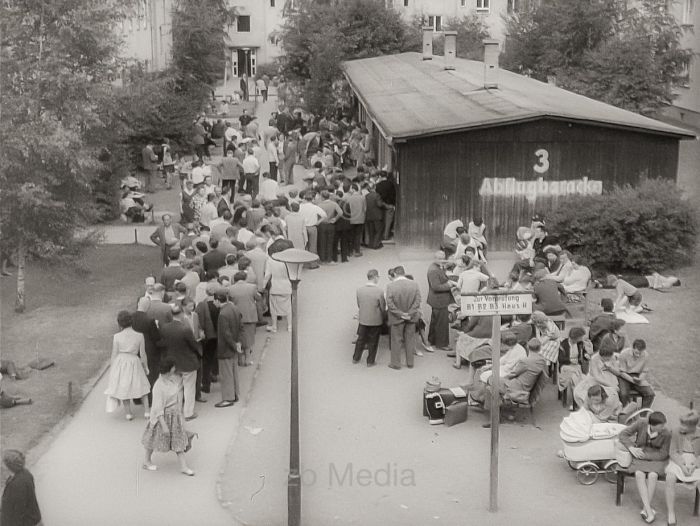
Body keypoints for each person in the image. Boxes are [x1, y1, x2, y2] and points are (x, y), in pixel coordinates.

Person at [469, 338, 547, 428]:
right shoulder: (542, 360)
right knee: (491, 384)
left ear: (528, 348)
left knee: (490, 383)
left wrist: (502, 379)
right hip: (525, 386)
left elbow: (513, 374)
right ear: (540, 348)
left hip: (516, 387)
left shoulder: (525, 361)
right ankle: (485, 402)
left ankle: (491, 414)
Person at [141, 358, 195, 476]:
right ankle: (146, 461)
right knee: (153, 440)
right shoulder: (158, 386)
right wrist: (164, 426)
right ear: (169, 370)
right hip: (163, 418)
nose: (175, 369)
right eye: (173, 367)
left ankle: (184, 467)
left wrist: (180, 415)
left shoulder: (171, 380)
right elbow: (157, 408)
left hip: (174, 416)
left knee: (178, 441)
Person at [619, 411, 671, 523]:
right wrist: (631, 447)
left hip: (657, 458)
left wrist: (644, 456)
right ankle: (648, 510)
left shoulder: (666, 433)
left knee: (653, 475)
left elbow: (664, 454)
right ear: (651, 425)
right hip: (639, 454)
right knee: (639, 474)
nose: (663, 427)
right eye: (660, 426)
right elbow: (623, 434)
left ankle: (645, 509)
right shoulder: (641, 423)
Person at [104, 310, 151, 420]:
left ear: (120, 323)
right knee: (142, 385)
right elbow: (143, 354)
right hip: (134, 361)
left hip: (121, 362)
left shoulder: (117, 336)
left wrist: (113, 369)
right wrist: (146, 367)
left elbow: (114, 354)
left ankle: (128, 413)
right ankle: (147, 412)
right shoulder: (139, 336)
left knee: (123, 386)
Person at [159, 303, 201, 421]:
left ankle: (177, 411)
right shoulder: (185, 329)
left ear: (171, 315)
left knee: (177, 387)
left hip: (174, 363)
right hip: (188, 362)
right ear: (181, 314)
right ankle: (188, 413)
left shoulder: (165, 328)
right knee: (189, 388)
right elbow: (193, 345)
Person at [664, 411, 700, 526]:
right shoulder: (676, 431)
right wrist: (682, 465)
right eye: (681, 423)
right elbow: (672, 451)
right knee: (670, 477)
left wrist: (695, 465)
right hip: (679, 459)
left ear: (693, 426)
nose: (681, 426)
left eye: (684, 425)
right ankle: (671, 513)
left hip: (695, 461)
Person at [385, 266, 422, 370]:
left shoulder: (390, 286)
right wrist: (409, 313)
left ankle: (396, 363)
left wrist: (400, 314)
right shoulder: (414, 285)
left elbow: (389, 303)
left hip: (397, 318)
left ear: (395, 274)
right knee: (410, 339)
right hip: (411, 317)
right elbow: (418, 300)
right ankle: (410, 362)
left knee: (396, 340)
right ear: (404, 273)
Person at [353, 269, 386, 366]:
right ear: (375, 277)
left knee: (361, 339)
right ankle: (370, 361)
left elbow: (359, 304)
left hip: (363, 319)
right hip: (375, 320)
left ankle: (356, 358)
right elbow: (382, 307)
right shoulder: (379, 291)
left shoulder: (359, 290)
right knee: (373, 341)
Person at [215, 291, 242, 407]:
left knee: (226, 375)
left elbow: (226, 334)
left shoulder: (222, 314)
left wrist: (233, 345)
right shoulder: (234, 308)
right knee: (234, 372)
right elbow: (240, 327)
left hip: (226, 349)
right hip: (235, 346)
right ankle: (235, 394)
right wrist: (238, 344)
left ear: (217, 300)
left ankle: (227, 398)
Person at [1, 450, 42, 526]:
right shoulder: (25, 473)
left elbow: (18, 511)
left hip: (26, 522)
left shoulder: (17, 484)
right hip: (32, 518)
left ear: (9, 465)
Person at [228, 272, 259, 366]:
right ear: (245, 278)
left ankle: (240, 359)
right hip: (250, 315)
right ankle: (247, 359)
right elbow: (258, 298)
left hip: (235, 316)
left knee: (238, 338)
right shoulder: (252, 287)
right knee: (249, 338)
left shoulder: (230, 289)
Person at [426, 251, 456, 351]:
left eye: (443, 258)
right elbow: (436, 287)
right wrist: (449, 285)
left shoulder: (436, 266)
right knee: (442, 323)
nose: (442, 261)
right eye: (440, 259)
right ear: (435, 258)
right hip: (439, 300)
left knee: (435, 321)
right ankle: (442, 344)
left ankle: (432, 339)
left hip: (436, 299)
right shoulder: (434, 270)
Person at [557, 326, 593, 409]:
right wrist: (570, 361)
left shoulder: (580, 344)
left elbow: (583, 354)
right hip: (565, 366)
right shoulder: (563, 344)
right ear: (575, 337)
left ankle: (576, 400)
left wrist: (585, 356)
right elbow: (560, 359)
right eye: (580, 337)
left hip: (577, 366)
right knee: (576, 376)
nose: (581, 339)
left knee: (575, 376)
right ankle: (576, 400)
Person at [617, 339, 655, 408]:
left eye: (640, 353)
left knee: (650, 394)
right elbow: (621, 372)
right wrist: (633, 381)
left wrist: (640, 379)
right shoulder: (624, 354)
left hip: (637, 375)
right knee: (623, 394)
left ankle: (642, 415)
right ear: (632, 348)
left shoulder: (646, 355)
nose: (638, 355)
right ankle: (623, 413)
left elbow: (644, 371)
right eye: (636, 353)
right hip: (625, 376)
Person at [264, 250, 293, 333]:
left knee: (274, 308)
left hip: (275, 286)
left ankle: (274, 326)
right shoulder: (288, 261)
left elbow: (267, 275)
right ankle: (289, 326)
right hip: (286, 286)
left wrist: (263, 285)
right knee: (288, 307)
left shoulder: (270, 261)